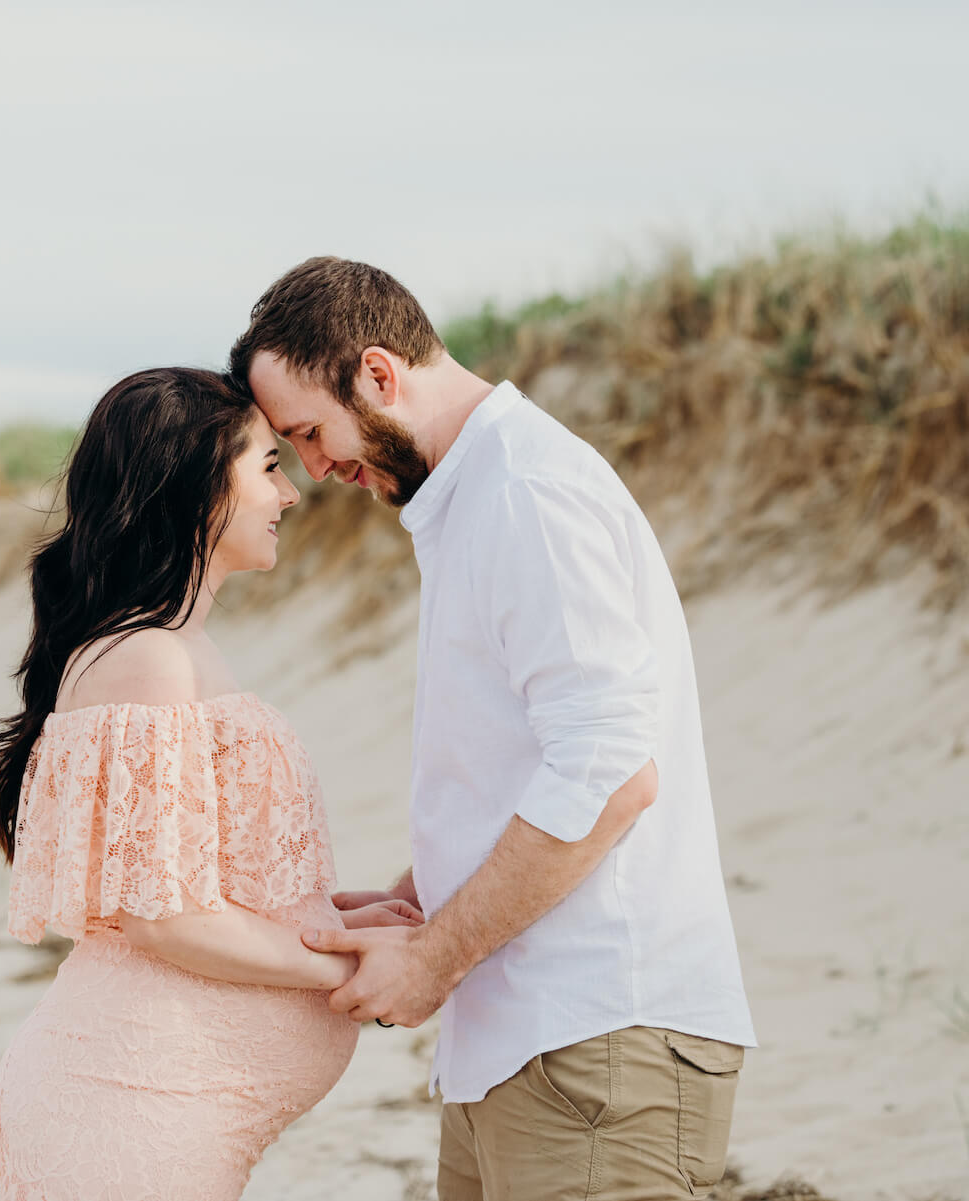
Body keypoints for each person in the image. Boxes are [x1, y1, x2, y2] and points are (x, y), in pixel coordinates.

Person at [229, 257, 759, 1201]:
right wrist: (418, 894)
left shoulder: (526, 491)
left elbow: (610, 770)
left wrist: (436, 958)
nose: (314, 468)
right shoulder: (475, 498)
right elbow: (536, 761)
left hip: (596, 1044)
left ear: (380, 374)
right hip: (522, 1046)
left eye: (310, 431)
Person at [0, 366, 424, 1201]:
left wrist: (347, 915)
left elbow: (211, 884)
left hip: (160, 1116)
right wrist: (356, 968)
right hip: (126, 1115)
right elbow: (165, 918)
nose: (291, 492)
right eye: (266, 467)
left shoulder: (176, 648)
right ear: (197, 489)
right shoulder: (148, 660)